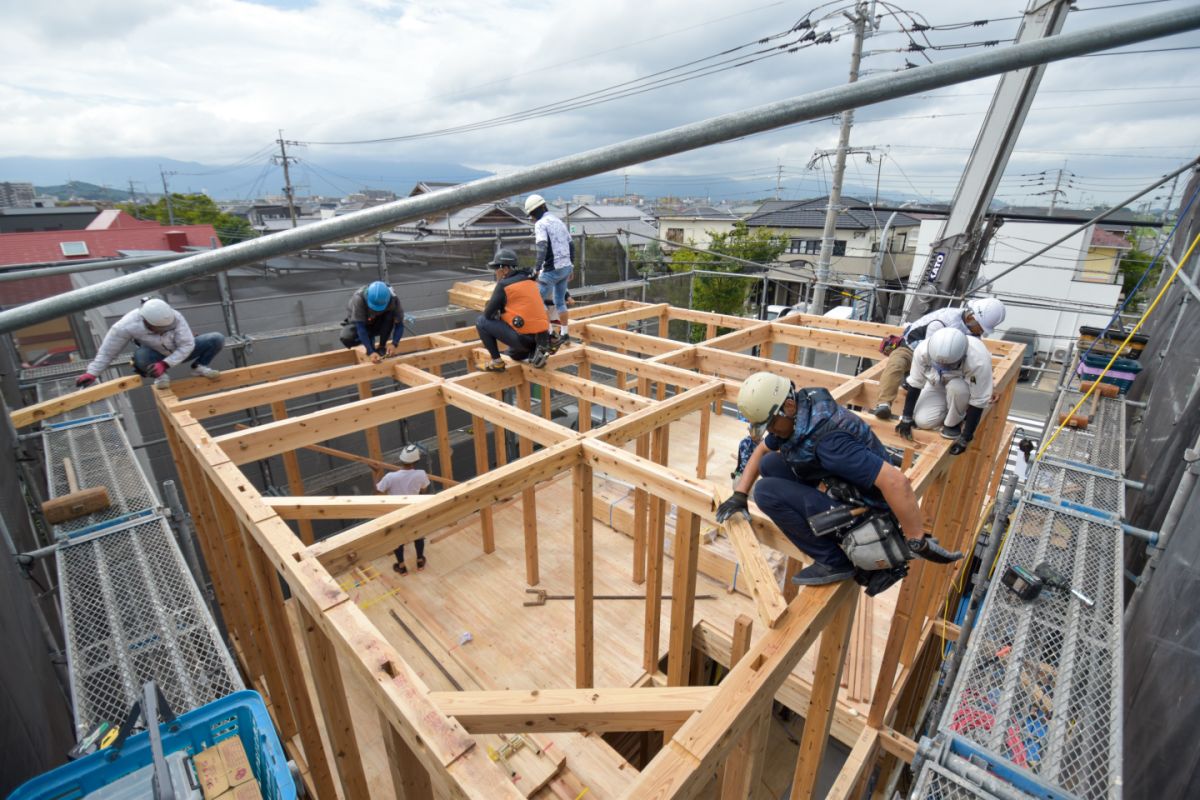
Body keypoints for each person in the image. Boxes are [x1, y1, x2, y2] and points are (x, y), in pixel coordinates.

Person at [716, 371, 959, 592]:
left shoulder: (829, 441)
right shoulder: (800, 412)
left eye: (769, 425)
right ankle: (826, 524)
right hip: (840, 486)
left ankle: (834, 562)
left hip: (867, 512)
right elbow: (761, 452)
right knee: (769, 465)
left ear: (788, 406)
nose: (770, 431)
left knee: (766, 492)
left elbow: (897, 483)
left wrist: (916, 538)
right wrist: (739, 495)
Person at [872, 297, 1005, 420]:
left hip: (942, 359)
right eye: (981, 328)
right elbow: (930, 358)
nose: (981, 332)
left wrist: (988, 388)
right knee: (896, 364)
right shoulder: (943, 322)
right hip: (912, 349)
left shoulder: (972, 332)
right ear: (971, 318)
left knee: (957, 385)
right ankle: (884, 404)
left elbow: (977, 363)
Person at [74, 298, 224, 390]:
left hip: (178, 351)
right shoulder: (126, 325)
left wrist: (165, 364)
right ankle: (160, 376)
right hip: (155, 355)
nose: (163, 330)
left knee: (216, 338)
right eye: (159, 329)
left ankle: (199, 367)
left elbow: (186, 345)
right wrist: (92, 372)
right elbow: (108, 352)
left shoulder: (175, 317)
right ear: (146, 321)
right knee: (140, 356)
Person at [894, 328, 994, 456]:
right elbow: (915, 383)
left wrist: (966, 437)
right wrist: (906, 418)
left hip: (962, 385)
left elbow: (979, 400)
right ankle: (949, 407)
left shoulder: (978, 361)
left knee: (956, 388)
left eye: (949, 366)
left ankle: (953, 422)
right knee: (923, 422)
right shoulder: (923, 350)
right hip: (936, 381)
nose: (945, 367)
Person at [475, 248, 552, 371]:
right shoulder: (529, 280)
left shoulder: (503, 285)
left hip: (523, 338)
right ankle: (534, 353)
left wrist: (497, 311)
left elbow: (488, 315)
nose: (496, 273)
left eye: (496, 269)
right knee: (514, 355)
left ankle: (497, 363)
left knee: (481, 321)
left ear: (505, 269)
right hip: (540, 337)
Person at [523, 194, 574, 349]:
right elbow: (571, 245)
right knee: (559, 301)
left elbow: (542, 247)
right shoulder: (558, 221)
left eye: (531, 214)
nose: (532, 217)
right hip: (565, 268)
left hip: (551, 270)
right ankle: (565, 334)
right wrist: (572, 266)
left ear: (533, 212)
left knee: (536, 301)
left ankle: (551, 334)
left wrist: (536, 269)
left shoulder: (541, 224)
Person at [378, 445, 431, 575]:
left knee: (397, 539)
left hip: (396, 512)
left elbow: (378, 492)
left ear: (401, 460)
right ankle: (419, 561)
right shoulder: (421, 474)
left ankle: (401, 567)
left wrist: (375, 473)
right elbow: (424, 490)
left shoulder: (390, 477)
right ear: (416, 461)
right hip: (413, 509)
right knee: (417, 534)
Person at [340, 281, 404, 363]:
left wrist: (394, 344)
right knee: (347, 337)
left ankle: (382, 346)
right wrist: (370, 351)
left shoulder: (393, 299)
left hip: (378, 321)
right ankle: (369, 340)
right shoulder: (359, 299)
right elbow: (360, 328)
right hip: (362, 323)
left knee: (390, 315)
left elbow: (399, 325)